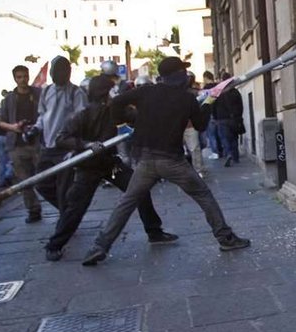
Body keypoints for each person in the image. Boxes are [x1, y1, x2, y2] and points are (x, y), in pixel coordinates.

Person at [81, 57, 250, 266]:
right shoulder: (187, 99)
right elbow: (200, 125)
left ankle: (100, 246)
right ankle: (225, 237)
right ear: (177, 75)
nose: (187, 75)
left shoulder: (147, 91)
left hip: (145, 159)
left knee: (126, 203)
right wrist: (208, 102)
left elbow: (116, 102)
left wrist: (124, 121)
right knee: (203, 195)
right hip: (172, 161)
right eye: (183, 71)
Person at [44, 76, 177, 262]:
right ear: (104, 93)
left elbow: (137, 117)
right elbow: (62, 139)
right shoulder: (82, 115)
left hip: (110, 164)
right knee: (76, 207)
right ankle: (54, 245)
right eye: (112, 90)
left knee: (139, 189)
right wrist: (86, 144)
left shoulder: (115, 110)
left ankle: (154, 231)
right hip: (88, 168)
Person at [31, 55, 88, 211]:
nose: (60, 74)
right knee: (41, 184)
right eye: (57, 70)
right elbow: (42, 116)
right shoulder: (46, 91)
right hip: (48, 148)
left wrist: (76, 146)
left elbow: (82, 119)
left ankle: (66, 218)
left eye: (64, 70)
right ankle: (68, 212)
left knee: (64, 188)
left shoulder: (76, 93)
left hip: (65, 148)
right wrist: (35, 128)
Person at [0, 65, 42, 222]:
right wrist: (14, 127)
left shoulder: (38, 94)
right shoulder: (9, 99)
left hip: (37, 142)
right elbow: (1, 122)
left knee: (45, 177)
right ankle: (33, 210)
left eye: (25, 76)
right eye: (19, 77)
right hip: (17, 144)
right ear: (15, 79)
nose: (23, 80)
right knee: (24, 181)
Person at [211, 71, 243, 167]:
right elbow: (240, 106)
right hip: (234, 118)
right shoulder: (235, 92)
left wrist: (214, 117)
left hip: (221, 119)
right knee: (234, 137)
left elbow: (213, 106)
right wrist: (239, 116)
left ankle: (228, 153)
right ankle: (235, 157)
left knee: (224, 138)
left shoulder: (217, 92)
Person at [201, 71, 222, 159]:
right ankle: (221, 151)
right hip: (218, 112)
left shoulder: (206, 89)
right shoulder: (217, 86)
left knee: (211, 134)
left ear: (206, 77)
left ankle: (215, 152)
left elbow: (204, 101)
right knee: (218, 133)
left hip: (209, 113)